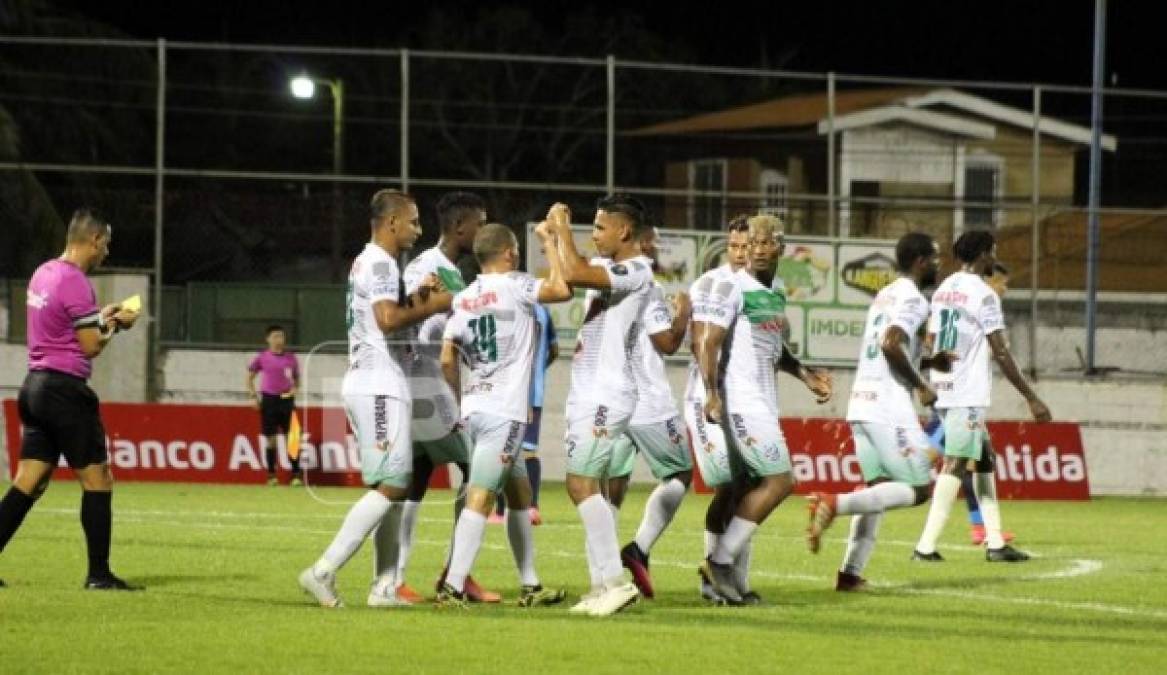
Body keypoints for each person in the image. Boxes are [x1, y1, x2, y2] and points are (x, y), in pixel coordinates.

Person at [298, 189, 450, 608]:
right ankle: (323, 570)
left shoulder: (370, 262)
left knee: (395, 487)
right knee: (392, 485)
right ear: (393, 222)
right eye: (414, 221)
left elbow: (389, 311)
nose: (419, 230)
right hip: (378, 385)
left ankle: (384, 587)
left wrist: (419, 295)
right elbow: (387, 320)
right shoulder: (381, 263)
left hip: (381, 382)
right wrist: (434, 303)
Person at [690, 214, 833, 605]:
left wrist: (805, 374)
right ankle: (719, 562)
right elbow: (708, 343)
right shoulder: (732, 287)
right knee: (780, 482)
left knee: (743, 488)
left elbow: (774, 349)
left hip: (763, 401)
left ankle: (722, 579)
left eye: (768, 242)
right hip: (741, 402)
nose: (759, 249)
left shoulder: (776, 291)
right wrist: (711, 393)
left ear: (781, 248)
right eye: (753, 243)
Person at [803, 232, 954, 590]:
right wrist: (920, 384)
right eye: (934, 258)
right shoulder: (915, 299)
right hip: (888, 404)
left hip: (862, 402)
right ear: (920, 262)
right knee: (919, 488)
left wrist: (931, 359)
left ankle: (850, 574)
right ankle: (833, 504)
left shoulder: (885, 295)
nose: (937, 264)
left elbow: (888, 343)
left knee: (878, 489)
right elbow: (890, 344)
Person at [435, 220, 573, 608]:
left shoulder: (464, 297)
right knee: (481, 496)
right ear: (511, 253)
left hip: (476, 407)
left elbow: (447, 358)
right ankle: (452, 586)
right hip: (506, 411)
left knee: (520, 495)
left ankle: (531, 586)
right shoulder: (517, 284)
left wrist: (461, 399)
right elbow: (562, 289)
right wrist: (549, 240)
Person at [0, 208, 141, 590]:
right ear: (93, 240)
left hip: (34, 387)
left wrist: (100, 316)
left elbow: (61, 326)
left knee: (30, 480)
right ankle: (99, 574)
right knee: (98, 480)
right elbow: (90, 346)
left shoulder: (43, 273)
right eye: (106, 244)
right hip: (65, 390)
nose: (106, 252)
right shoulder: (77, 281)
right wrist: (115, 325)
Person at [544, 194, 653, 617]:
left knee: (580, 484)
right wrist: (553, 238)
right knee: (592, 489)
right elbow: (567, 279)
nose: (594, 235)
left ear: (624, 231)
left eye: (599, 228)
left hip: (607, 393)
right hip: (592, 392)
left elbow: (573, 270)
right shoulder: (610, 269)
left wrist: (563, 228)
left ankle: (613, 582)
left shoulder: (637, 270)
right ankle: (599, 583)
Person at [912, 231, 1050, 563]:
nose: (994, 258)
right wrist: (1032, 397)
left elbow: (930, 340)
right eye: (993, 252)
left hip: (944, 386)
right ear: (985, 254)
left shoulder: (945, 288)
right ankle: (925, 547)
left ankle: (995, 542)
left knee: (985, 459)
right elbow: (1001, 353)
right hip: (965, 391)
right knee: (956, 464)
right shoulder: (984, 296)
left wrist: (933, 374)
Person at [395, 191, 499, 603]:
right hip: (427, 389)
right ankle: (457, 573)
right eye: (480, 222)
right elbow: (409, 325)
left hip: (428, 389)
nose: (485, 230)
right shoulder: (427, 269)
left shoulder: (452, 272)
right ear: (461, 228)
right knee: (481, 473)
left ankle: (396, 578)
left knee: (416, 481)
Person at [603, 225, 693, 600]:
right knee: (680, 474)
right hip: (648, 402)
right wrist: (683, 315)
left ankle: (606, 574)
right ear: (635, 239)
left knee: (614, 485)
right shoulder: (647, 286)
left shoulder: (607, 282)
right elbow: (668, 343)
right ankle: (637, 548)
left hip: (613, 396)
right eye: (651, 240)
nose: (655, 247)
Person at [928, 261, 1017, 546]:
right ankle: (868, 497)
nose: (1005, 289)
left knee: (977, 458)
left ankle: (986, 531)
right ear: (988, 281)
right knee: (935, 461)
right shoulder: (978, 305)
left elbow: (934, 344)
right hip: (961, 397)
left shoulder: (959, 304)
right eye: (1003, 282)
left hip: (952, 393)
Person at [492, 301, 557, 526]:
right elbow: (554, 350)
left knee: (502, 448)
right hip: (534, 392)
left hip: (508, 391)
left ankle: (501, 511)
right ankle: (533, 507)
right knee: (529, 450)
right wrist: (538, 373)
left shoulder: (505, 306)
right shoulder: (543, 310)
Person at [245, 325, 301, 486]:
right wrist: (253, 396)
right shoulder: (262, 358)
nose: (279, 340)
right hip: (269, 400)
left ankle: (296, 475)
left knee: (293, 438)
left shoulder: (291, 358)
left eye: (281, 337)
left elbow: (296, 379)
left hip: (287, 400)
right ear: (268, 339)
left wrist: (294, 389)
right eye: (275, 336)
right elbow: (249, 378)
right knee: (271, 439)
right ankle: (271, 475)